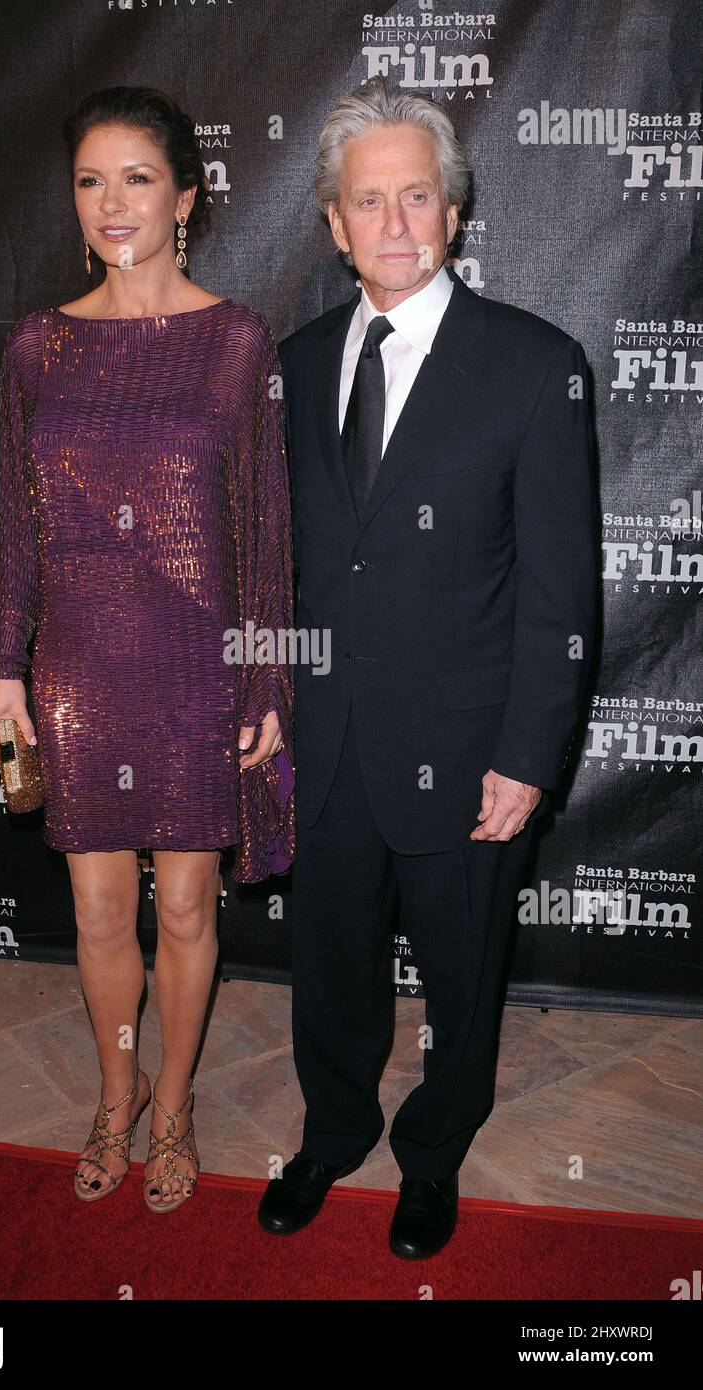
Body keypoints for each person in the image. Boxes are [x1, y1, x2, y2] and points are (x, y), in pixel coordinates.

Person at [258, 77, 598, 1258]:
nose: (393, 223)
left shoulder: (530, 364)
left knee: (462, 980)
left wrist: (524, 755)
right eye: (368, 201)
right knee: (329, 964)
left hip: (464, 747)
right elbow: (281, 570)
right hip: (325, 741)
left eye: (417, 197)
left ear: (451, 213)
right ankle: (331, 1129)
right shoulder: (292, 368)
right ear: (332, 221)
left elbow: (559, 592)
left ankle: (434, 1149)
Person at [0, 86, 295, 1214]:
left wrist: (262, 679)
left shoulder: (233, 341)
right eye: (89, 181)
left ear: (186, 197)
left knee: (185, 912)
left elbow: (261, 528)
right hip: (76, 675)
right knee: (100, 913)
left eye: (137, 178)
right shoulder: (35, 347)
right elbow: (17, 523)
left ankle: (175, 1103)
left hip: (194, 671)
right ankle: (114, 1097)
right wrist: (4, 662)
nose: (112, 204)